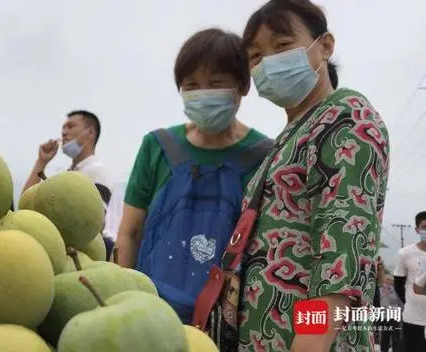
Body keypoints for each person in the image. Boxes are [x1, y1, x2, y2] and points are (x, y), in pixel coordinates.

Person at [238, 0, 390, 351]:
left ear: (324, 46)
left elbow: (342, 254)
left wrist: (310, 342)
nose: (268, 63)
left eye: (282, 46)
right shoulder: (288, 137)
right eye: (256, 56)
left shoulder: (346, 118)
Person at [114, 27, 272, 323]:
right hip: (151, 312)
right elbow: (130, 232)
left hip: (225, 321)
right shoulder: (158, 147)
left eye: (215, 83)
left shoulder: (265, 156)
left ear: (243, 85)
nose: (203, 94)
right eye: (191, 85)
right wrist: (123, 298)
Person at [21, 111, 114, 256]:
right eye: (63, 128)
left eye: (70, 126)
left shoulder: (97, 171)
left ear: (90, 133)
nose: (64, 132)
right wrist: (42, 161)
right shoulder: (67, 175)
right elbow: (25, 204)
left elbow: (95, 223)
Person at [393, 211, 426, 350]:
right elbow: (398, 285)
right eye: (424, 227)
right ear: (417, 229)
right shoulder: (405, 254)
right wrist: (411, 303)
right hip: (413, 320)